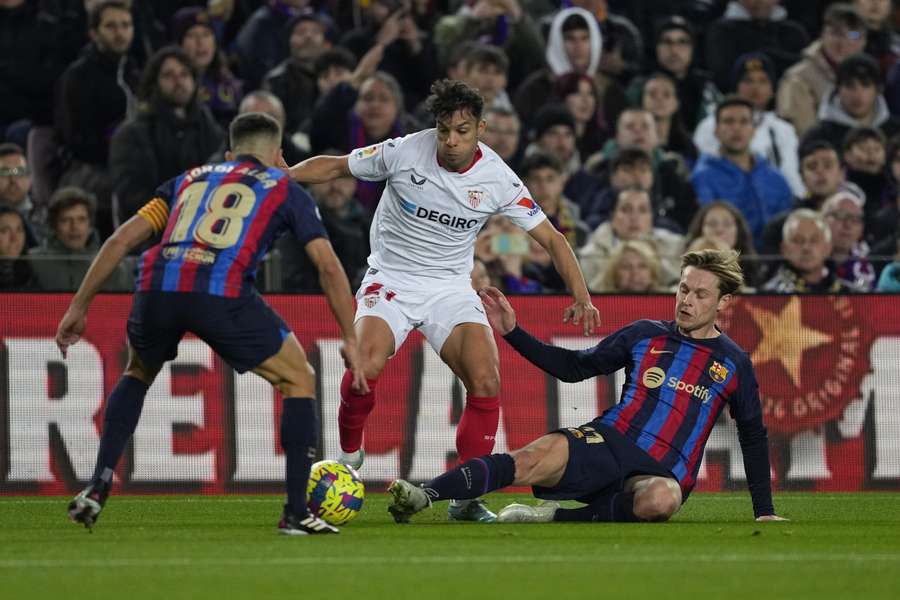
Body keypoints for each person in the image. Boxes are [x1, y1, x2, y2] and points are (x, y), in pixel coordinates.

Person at [285, 79, 600, 522]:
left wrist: (581, 295)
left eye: (462, 131)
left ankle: (466, 499)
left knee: (486, 379)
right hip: (391, 280)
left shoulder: (497, 177)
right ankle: (350, 456)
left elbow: (550, 237)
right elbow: (336, 167)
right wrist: (282, 176)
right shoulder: (403, 151)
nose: (450, 141)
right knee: (364, 366)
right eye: (443, 129)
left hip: (450, 288)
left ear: (481, 130)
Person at [58, 112, 366, 536]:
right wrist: (349, 336)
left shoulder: (189, 179)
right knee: (300, 379)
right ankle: (296, 512)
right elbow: (328, 267)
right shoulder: (283, 186)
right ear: (278, 155)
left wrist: (78, 306)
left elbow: (120, 239)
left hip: (156, 285)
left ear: (229, 154)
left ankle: (97, 483)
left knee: (137, 372)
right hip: (220, 291)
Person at [386, 249, 785, 524]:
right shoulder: (645, 334)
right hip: (609, 441)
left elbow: (753, 435)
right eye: (683, 289)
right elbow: (575, 368)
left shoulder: (733, 363)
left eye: (700, 294)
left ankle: (555, 516)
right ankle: (425, 496)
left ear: (724, 302)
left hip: (664, 472)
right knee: (527, 460)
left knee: (661, 500)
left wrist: (763, 510)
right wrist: (513, 332)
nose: (686, 301)